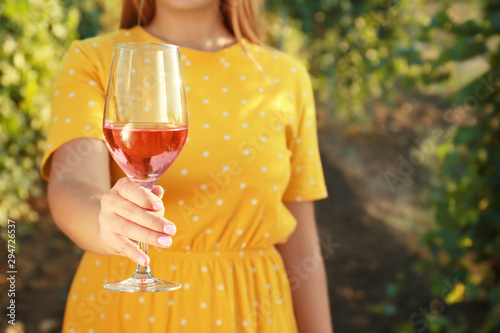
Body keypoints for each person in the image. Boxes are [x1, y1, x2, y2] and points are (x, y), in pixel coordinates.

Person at [42, 0, 334, 331]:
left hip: (253, 310)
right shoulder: (94, 59)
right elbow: (71, 183)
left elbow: (301, 239)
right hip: (127, 310)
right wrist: (105, 225)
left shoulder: (286, 77)